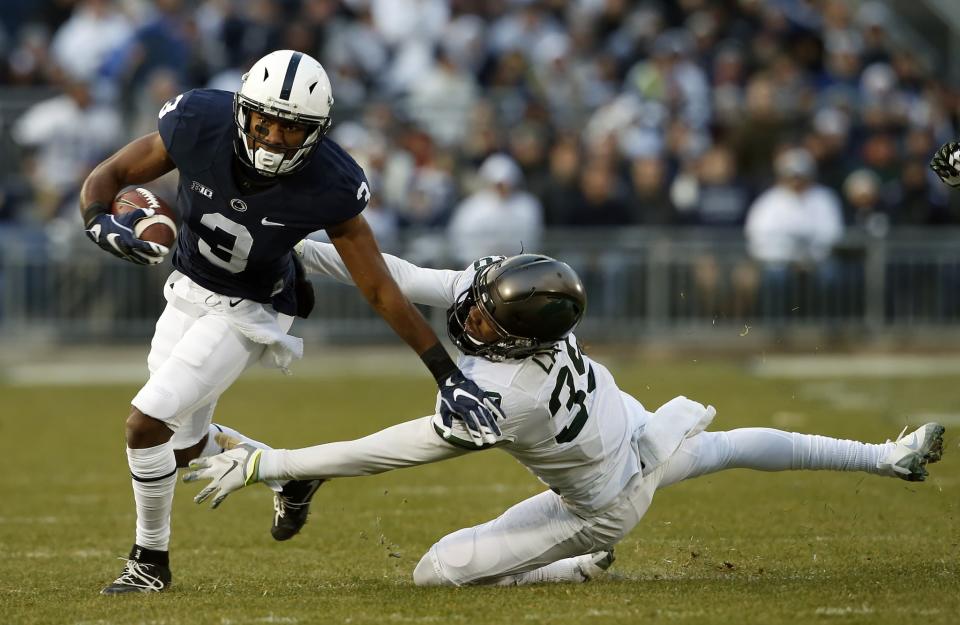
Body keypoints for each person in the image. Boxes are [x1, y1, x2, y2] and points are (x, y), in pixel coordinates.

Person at [184, 246, 945, 587]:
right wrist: (298, 249)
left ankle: (577, 562)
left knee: (436, 569)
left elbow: (392, 450)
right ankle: (887, 456)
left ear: (516, 332)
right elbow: (401, 275)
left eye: (484, 317)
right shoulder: (531, 314)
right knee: (735, 444)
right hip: (639, 430)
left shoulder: (509, 395)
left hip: (605, 499)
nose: (469, 315)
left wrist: (271, 463)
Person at [79, 49, 501, 595]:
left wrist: (446, 374)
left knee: (144, 424)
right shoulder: (198, 121)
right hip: (187, 288)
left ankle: (148, 562)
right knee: (183, 447)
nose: (276, 137)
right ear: (243, 113)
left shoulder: (329, 180)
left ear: (317, 132)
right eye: (266, 122)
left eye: (292, 128)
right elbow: (110, 174)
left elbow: (378, 288)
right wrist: (97, 222)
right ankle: (290, 473)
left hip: (250, 310)